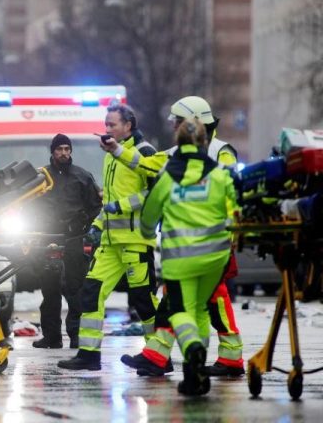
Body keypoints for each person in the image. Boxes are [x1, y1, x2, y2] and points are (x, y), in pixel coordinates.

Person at [115, 96, 245, 377]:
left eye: (176, 120)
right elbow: (147, 163)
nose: (172, 125)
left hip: (209, 245)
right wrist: (116, 150)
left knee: (211, 302)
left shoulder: (221, 153)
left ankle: (223, 358)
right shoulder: (178, 154)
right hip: (203, 248)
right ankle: (159, 356)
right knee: (181, 301)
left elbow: (231, 192)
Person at [58, 104, 160, 371]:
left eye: (112, 124)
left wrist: (122, 206)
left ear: (128, 125)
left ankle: (158, 356)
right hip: (111, 242)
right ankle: (89, 355)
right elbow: (110, 202)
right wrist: (98, 224)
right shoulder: (110, 156)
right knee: (91, 293)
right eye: (106, 124)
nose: (107, 129)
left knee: (144, 301)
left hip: (136, 240)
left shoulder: (144, 152)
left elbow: (154, 193)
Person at [138, 117, 235, 395]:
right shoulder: (218, 174)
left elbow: (148, 219)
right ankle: (196, 375)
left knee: (180, 311)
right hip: (215, 258)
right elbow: (234, 210)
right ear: (205, 142)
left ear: (178, 143)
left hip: (180, 259)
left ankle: (192, 349)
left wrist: (149, 231)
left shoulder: (168, 177)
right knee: (201, 310)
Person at [32, 134, 102, 349]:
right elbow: (28, 207)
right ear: (52, 151)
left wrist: (91, 233)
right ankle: (52, 337)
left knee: (75, 290)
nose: (64, 153)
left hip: (74, 239)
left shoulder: (82, 177)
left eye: (67, 149)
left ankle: (76, 336)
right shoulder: (41, 178)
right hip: (47, 239)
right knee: (50, 291)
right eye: (59, 149)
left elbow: (95, 208)